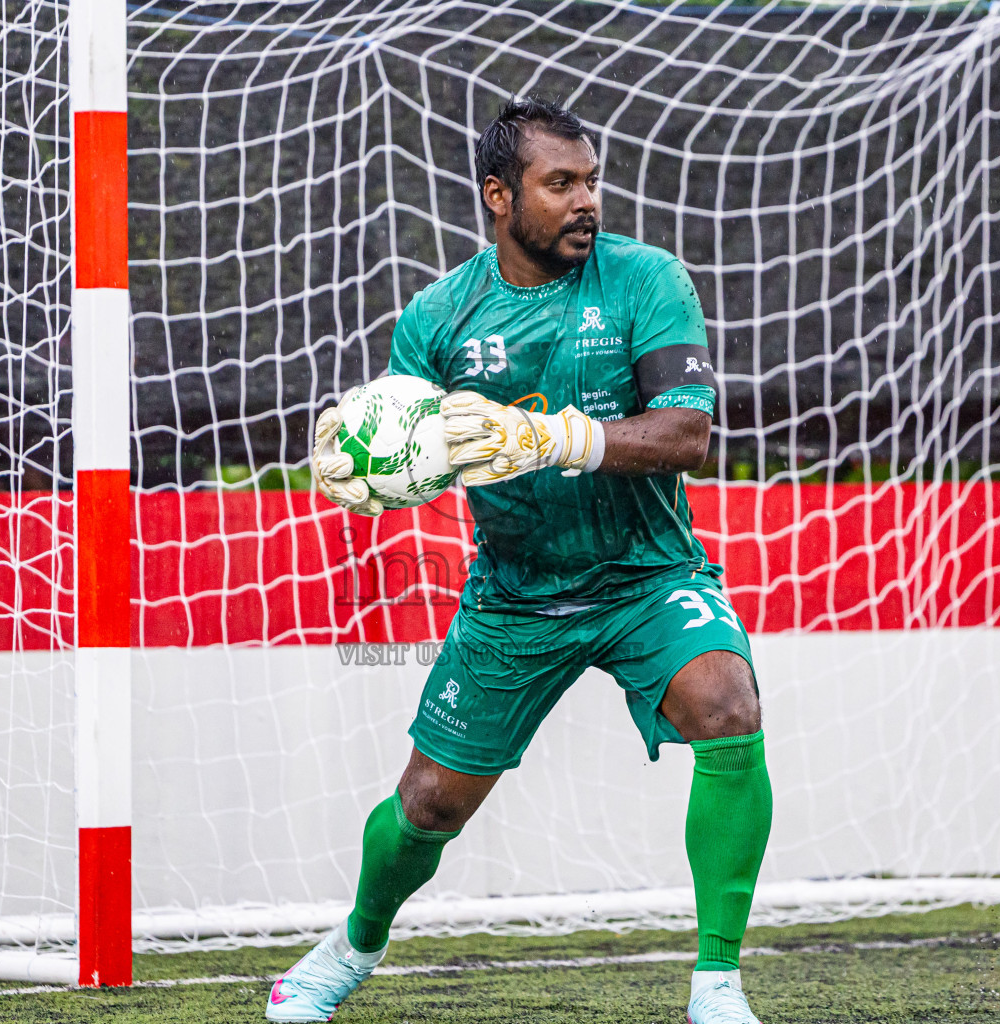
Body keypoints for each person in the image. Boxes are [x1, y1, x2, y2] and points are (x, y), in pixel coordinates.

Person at [277, 96, 773, 1024]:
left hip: (648, 576)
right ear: (500, 197)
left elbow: (686, 435)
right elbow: (409, 458)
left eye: (592, 181)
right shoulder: (436, 317)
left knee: (726, 702)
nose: (586, 201)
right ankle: (351, 946)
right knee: (428, 805)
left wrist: (545, 438)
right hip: (514, 596)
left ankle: (717, 986)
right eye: (561, 185)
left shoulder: (648, 279)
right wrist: (374, 465)